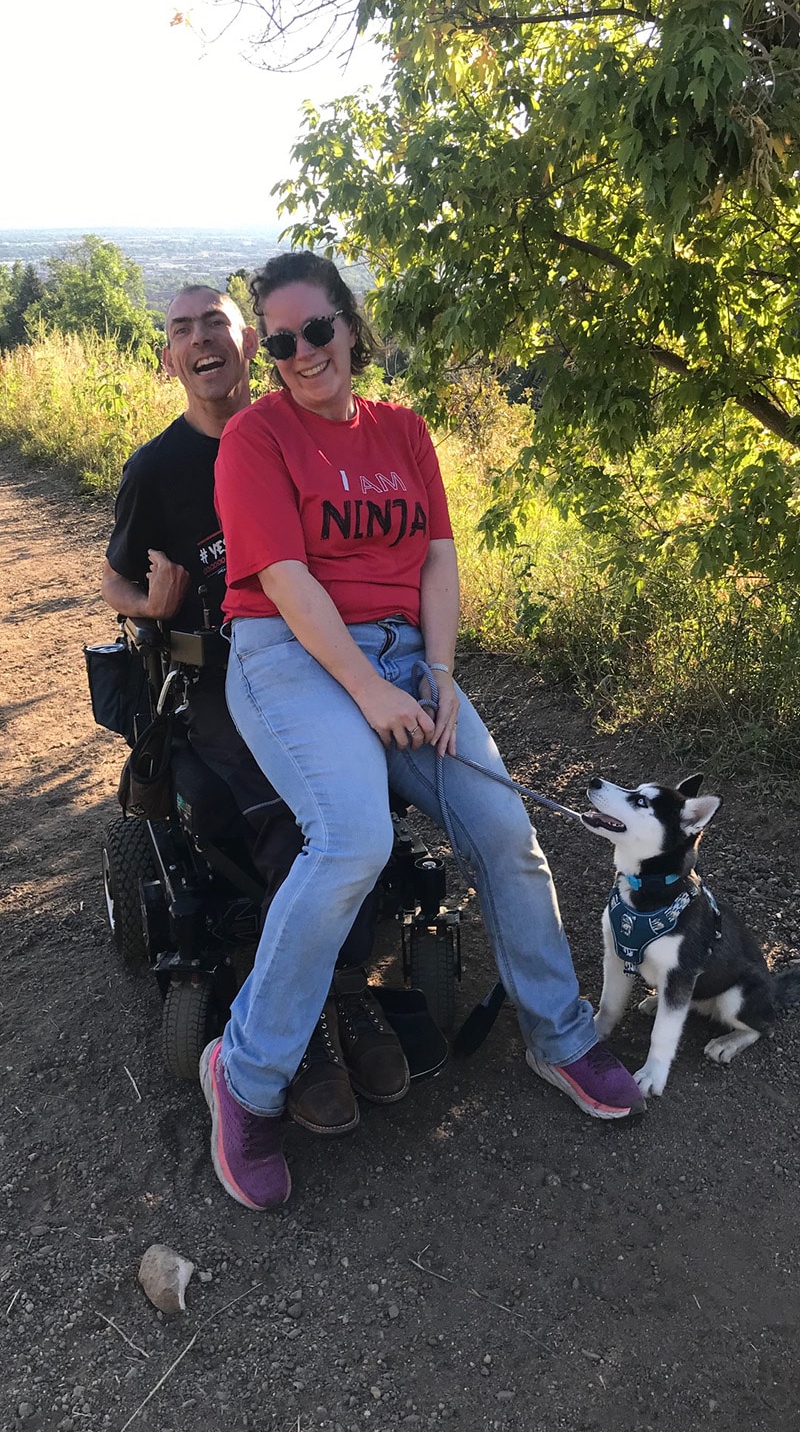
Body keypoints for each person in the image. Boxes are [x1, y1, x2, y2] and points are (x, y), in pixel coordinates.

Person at [202, 250, 646, 1212]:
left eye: (317, 330)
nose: (302, 354)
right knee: (353, 837)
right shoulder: (255, 439)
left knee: (505, 835)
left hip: (407, 654)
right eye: (280, 342)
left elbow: (438, 559)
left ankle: (559, 1035)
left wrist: (438, 677)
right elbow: (286, 584)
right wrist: (371, 696)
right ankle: (243, 1076)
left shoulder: (404, 433)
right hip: (288, 653)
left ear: (351, 326)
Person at [101, 284, 408, 1139]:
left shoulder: (297, 431)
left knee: (372, 801)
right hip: (216, 679)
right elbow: (114, 577)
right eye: (181, 329)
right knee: (298, 819)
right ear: (170, 357)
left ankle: (342, 988)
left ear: (252, 346)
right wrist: (148, 607)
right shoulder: (157, 470)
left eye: (218, 325)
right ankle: (310, 1021)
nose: (201, 340)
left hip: (321, 658)